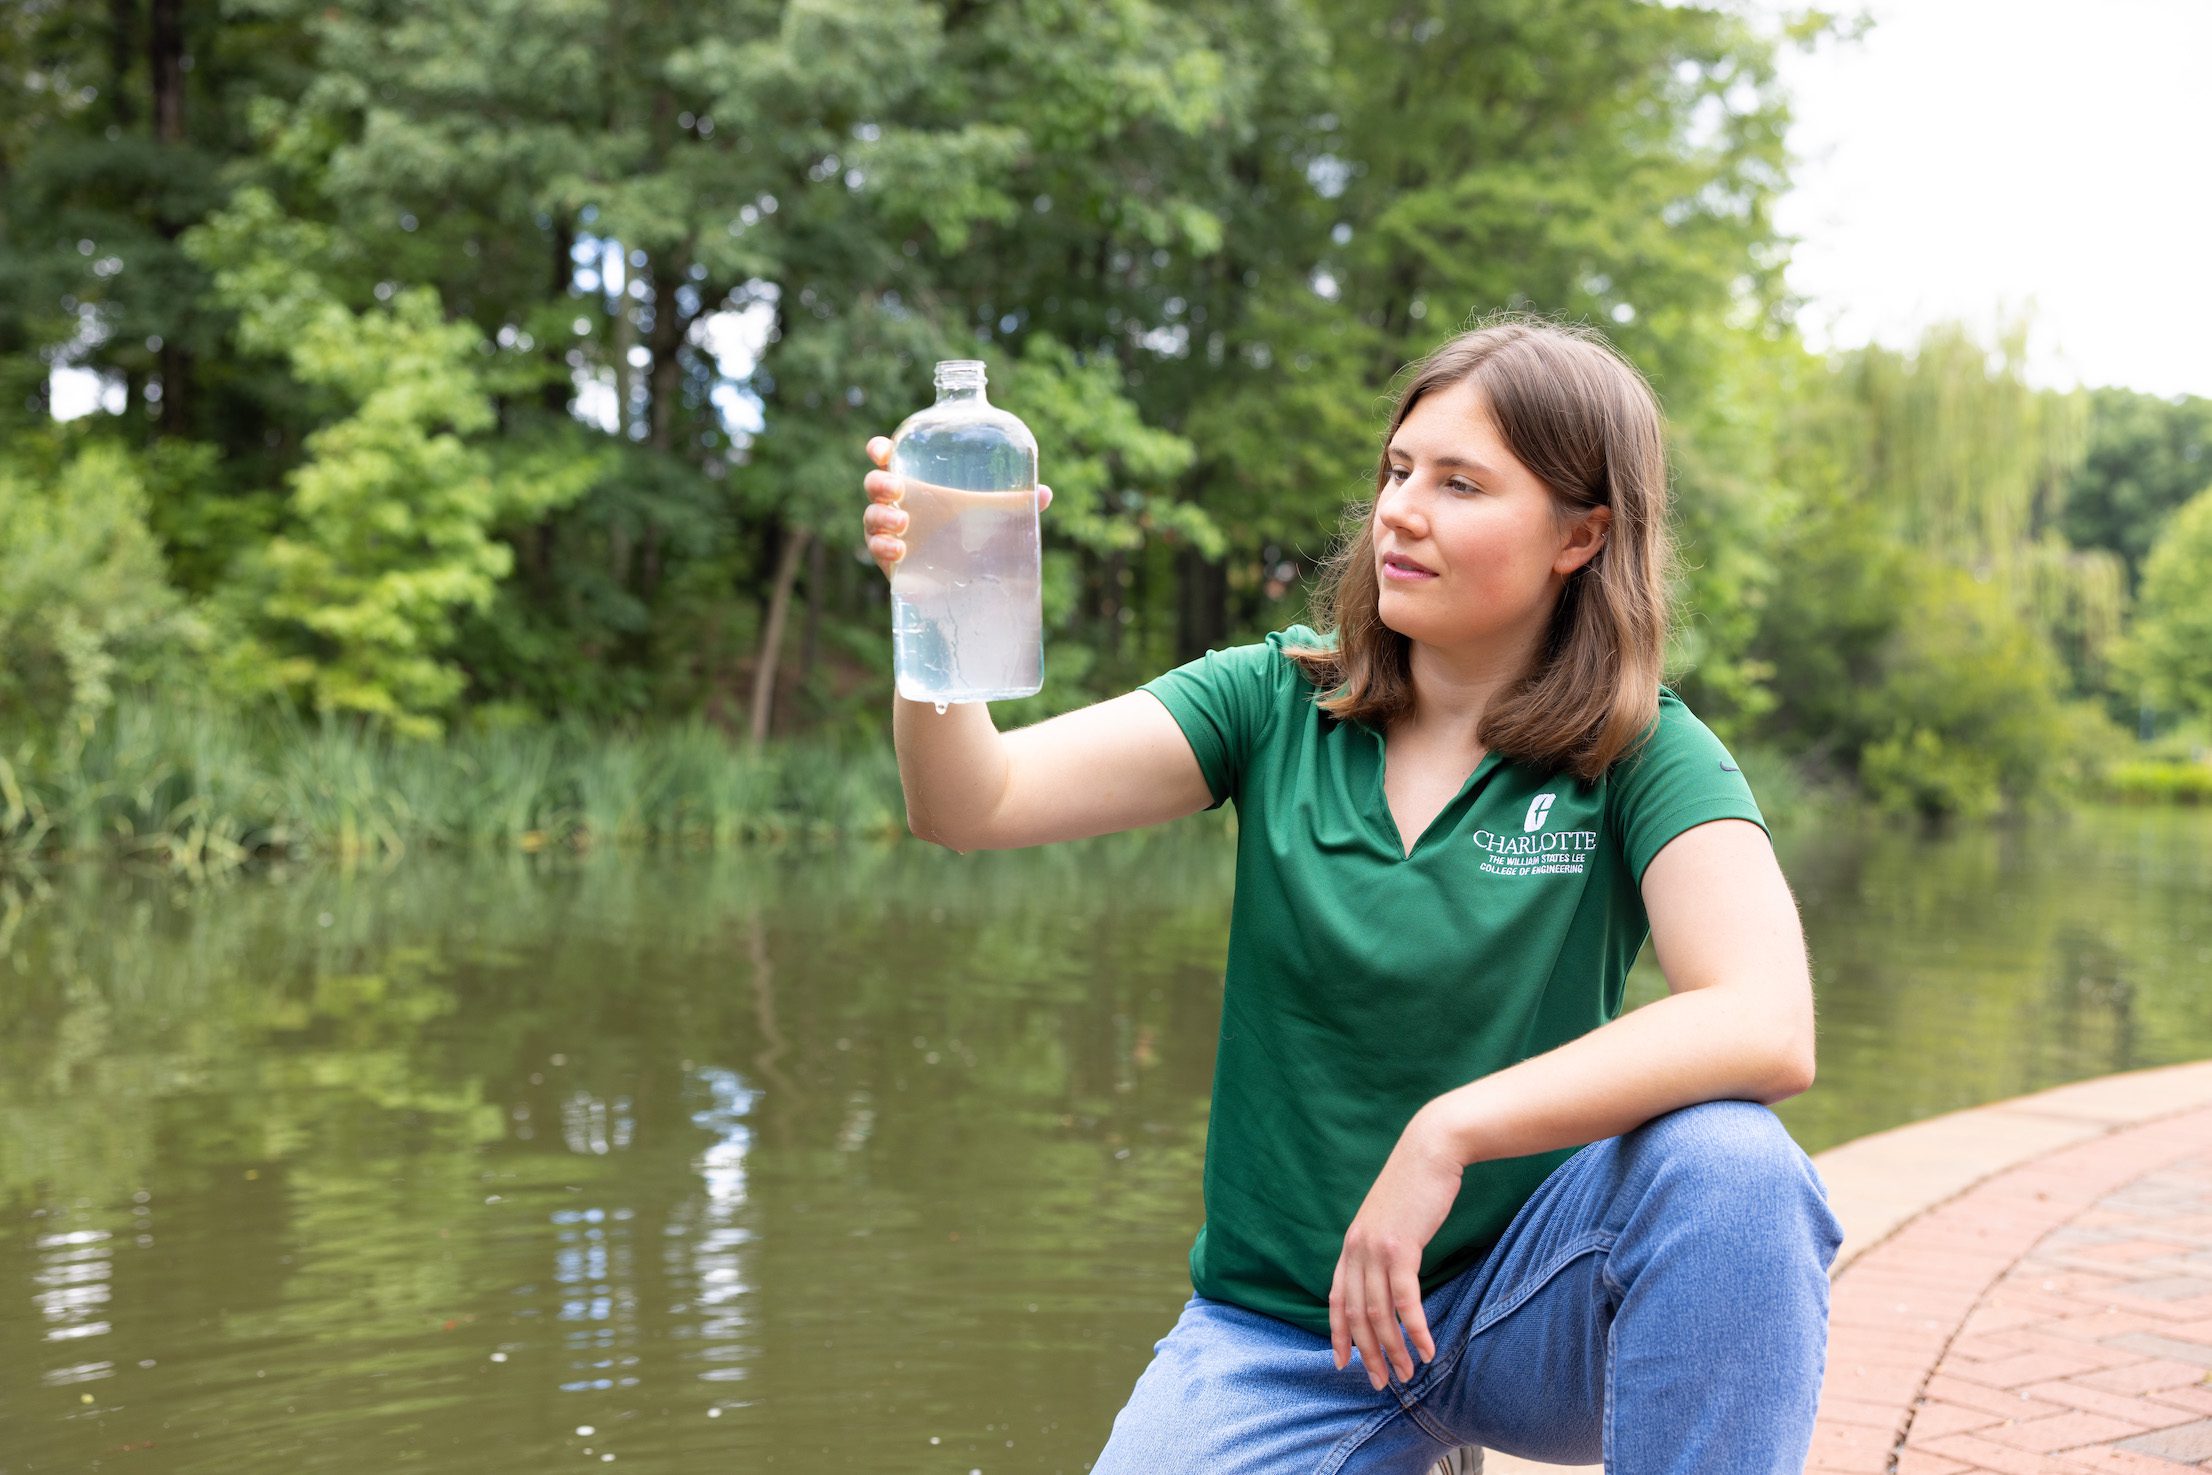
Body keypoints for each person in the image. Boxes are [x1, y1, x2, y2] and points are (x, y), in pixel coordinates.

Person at [858, 316, 1844, 1475]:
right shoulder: (1273, 698)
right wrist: (933, 610)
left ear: (1581, 534)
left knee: (1736, 1170)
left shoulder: (1641, 749)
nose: (1400, 511)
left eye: (1460, 484)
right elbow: (971, 803)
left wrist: (1448, 1132)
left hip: (1525, 1300)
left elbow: (1766, 1020)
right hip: (1285, 1332)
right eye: (1397, 470)